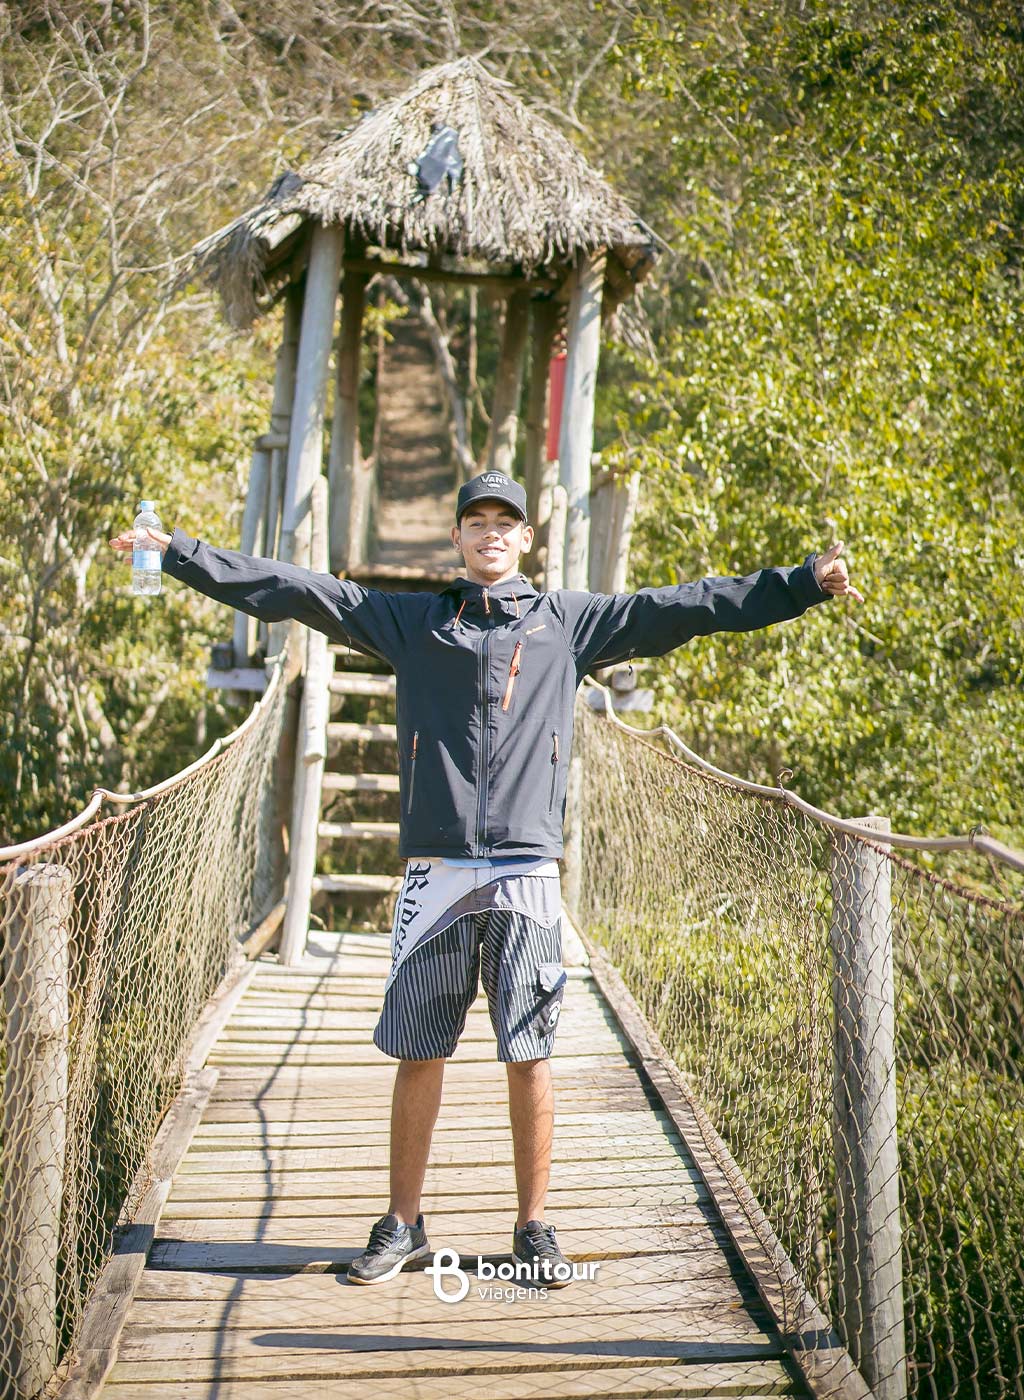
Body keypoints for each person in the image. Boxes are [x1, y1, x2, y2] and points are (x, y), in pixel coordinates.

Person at [109, 469, 862, 1288]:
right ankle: (402, 1224)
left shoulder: (570, 625)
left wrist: (802, 585)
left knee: (529, 1053)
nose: (492, 533)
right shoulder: (414, 623)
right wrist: (176, 552)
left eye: (507, 521)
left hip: (527, 871)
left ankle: (534, 1227)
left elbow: (687, 607)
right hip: (435, 872)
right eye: (478, 521)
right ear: (459, 537)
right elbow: (294, 591)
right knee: (418, 1050)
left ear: (527, 538)